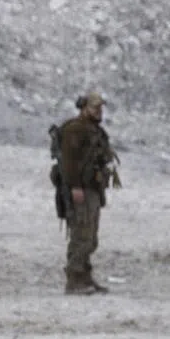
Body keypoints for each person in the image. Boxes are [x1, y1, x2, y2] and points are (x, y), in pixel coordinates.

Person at [56, 90, 119, 294]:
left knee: (90, 236)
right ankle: (74, 279)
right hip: (80, 190)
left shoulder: (94, 130)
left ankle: (85, 276)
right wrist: (75, 186)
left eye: (100, 108)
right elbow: (69, 162)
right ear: (84, 108)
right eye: (95, 107)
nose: (99, 111)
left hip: (92, 189)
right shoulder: (74, 130)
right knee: (81, 234)